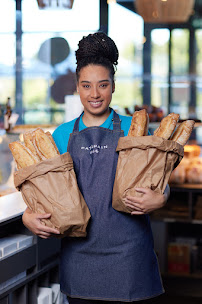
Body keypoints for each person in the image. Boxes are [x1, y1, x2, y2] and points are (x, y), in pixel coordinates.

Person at [22, 31, 170, 303]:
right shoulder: (61, 135)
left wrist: (161, 198)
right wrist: (27, 217)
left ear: (113, 85)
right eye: (86, 85)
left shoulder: (133, 127)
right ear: (77, 87)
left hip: (130, 259)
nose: (95, 94)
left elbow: (158, 180)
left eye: (102, 85)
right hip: (79, 261)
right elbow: (44, 193)